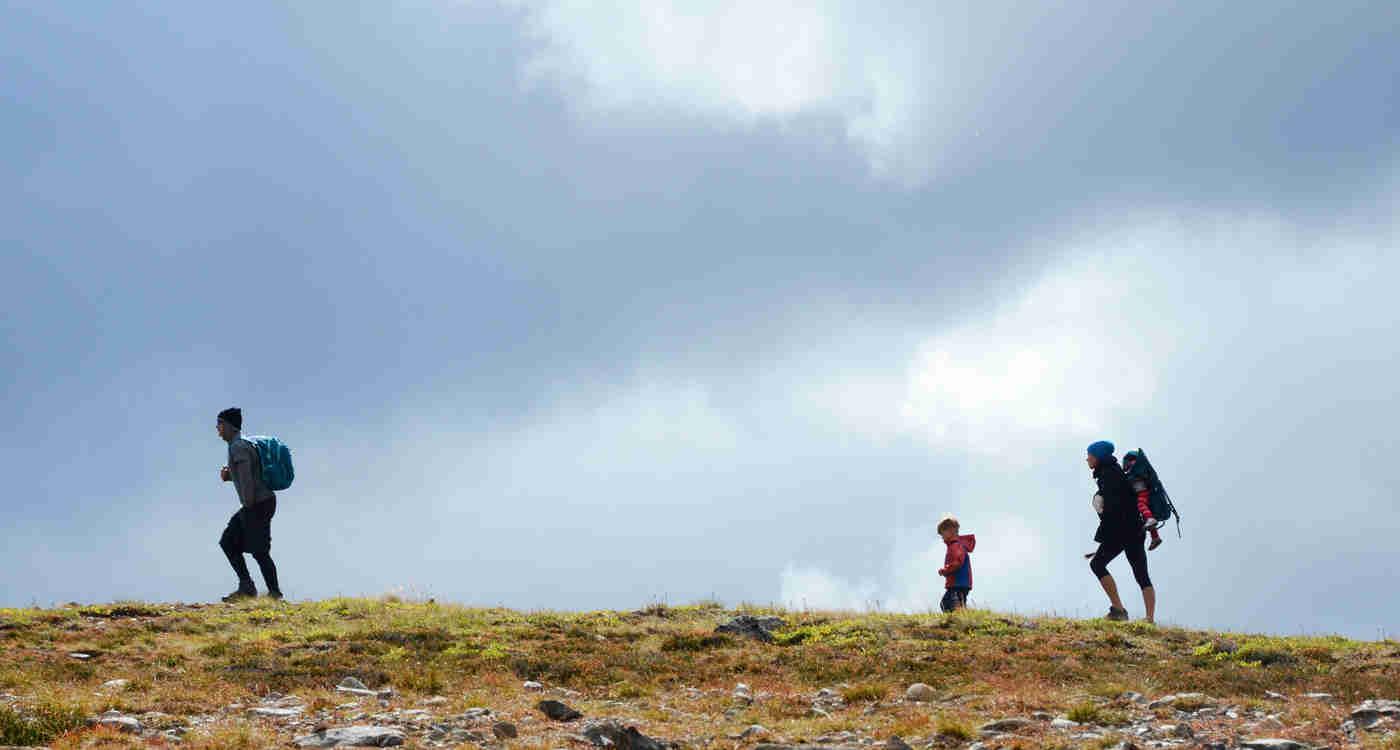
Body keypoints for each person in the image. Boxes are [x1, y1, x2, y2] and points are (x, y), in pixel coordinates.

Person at [216, 408, 282, 602]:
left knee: (259, 551)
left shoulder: (238, 447)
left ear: (228, 426)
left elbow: (246, 478)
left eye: (219, 425)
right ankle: (247, 586)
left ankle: (274, 593)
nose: (217, 429)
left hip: (256, 504)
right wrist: (231, 477)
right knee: (229, 541)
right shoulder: (244, 444)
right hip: (259, 502)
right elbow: (248, 474)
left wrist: (248, 505)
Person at [1084, 441, 1154, 623]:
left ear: (1098, 456)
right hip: (1135, 531)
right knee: (1141, 574)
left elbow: (1114, 510)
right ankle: (1149, 619)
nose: (1087, 459)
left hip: (1122, 531)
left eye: (1090, 455)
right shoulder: (1113, 472)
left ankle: (1118, 611)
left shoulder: (1108, 475)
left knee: (1097, 564)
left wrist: (1104, 539)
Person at [1124, 451, 1163, 551]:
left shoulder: (1135, 466)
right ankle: (1155, 537)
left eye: (1125, 462)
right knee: (1144, 514)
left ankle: (1150, 519)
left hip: (1142, 491)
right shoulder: (1139, 468)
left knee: (1141, 504)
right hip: (1144, 491)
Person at [936, 516, 976, 612]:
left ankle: (960, 620)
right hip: (959, 583)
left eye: (942, 533)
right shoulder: (955, 545)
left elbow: (957, 562)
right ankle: (957, 621)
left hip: (958, 583)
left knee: (950, 603)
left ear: (950, 531)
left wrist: (945, 570)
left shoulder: (956, 545)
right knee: (948, 603)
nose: (942, 537)